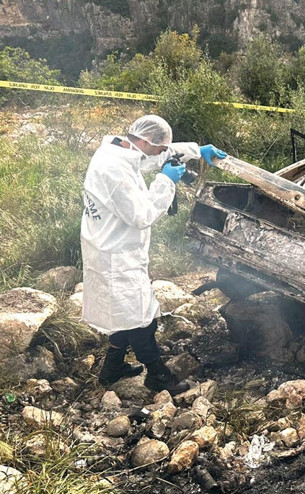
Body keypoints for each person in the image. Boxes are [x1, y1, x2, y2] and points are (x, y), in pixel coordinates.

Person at [80, 114, 226, 394]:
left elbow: (153, 156)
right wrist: (165, 182)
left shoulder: (120, 150)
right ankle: (158, 375)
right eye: (160, 148)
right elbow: (142, 214)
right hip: (115, 254)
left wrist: (197, 150)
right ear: (145, 141)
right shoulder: (113, 170)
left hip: (110, 246)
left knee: (123, 311)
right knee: (140, 317)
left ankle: (111, 369)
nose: (161, 154)